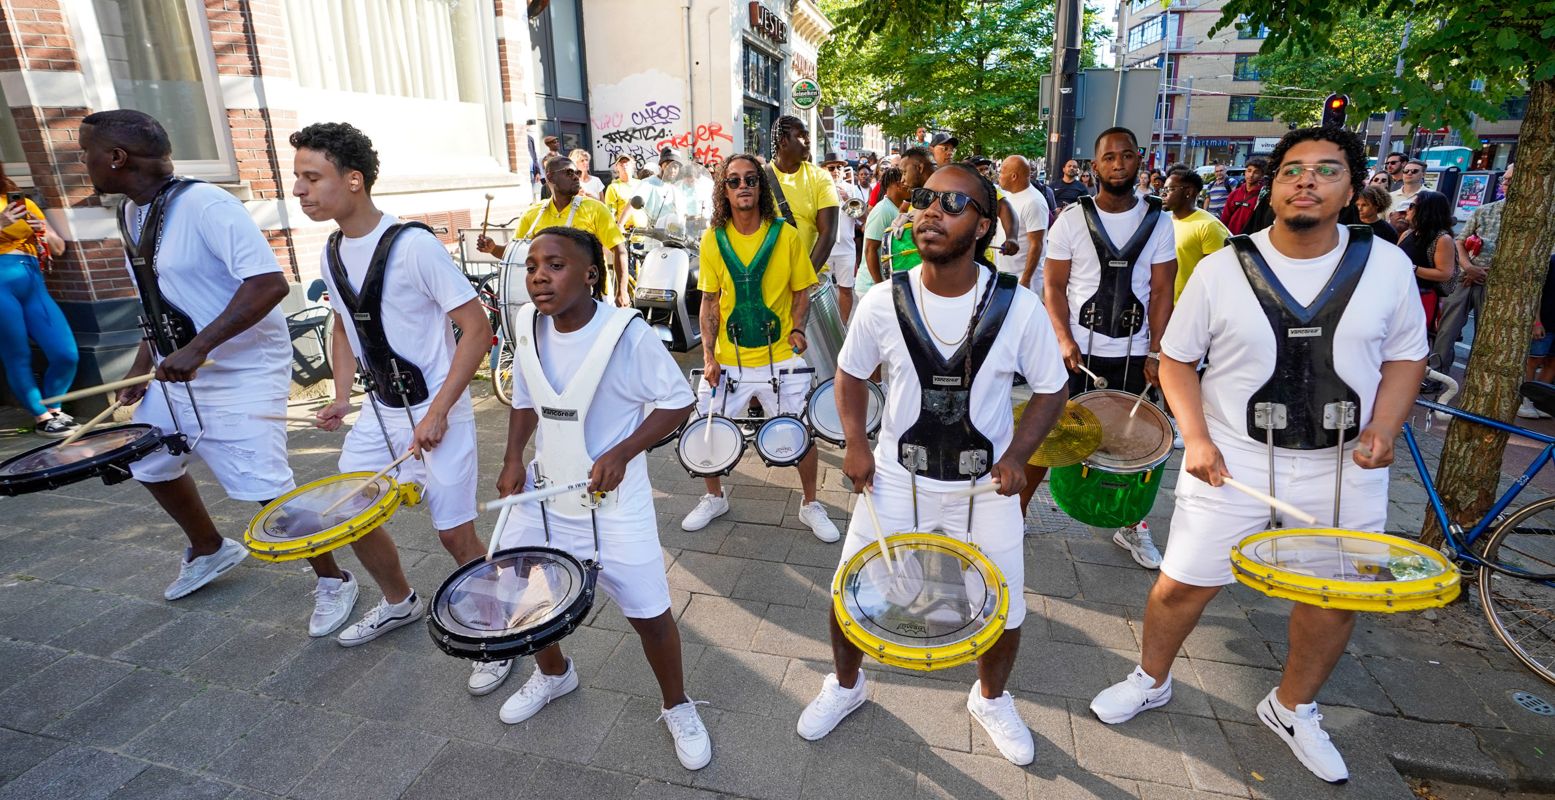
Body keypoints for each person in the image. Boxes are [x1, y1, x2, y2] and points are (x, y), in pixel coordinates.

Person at [1090, 125, 1427, 785]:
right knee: (1181, 583)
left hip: (1344, 463)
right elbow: (1177, 360)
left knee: (1334, 596)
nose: (1306, 180)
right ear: (1270, 188)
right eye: (1291, 170)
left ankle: (1292, 706)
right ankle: (1150, 679)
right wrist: (1199, 437)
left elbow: (1405, 355)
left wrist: (1385, 426)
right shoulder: (1223, 268)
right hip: (1233, 461)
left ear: (1351, 189)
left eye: (1325, 170)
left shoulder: (1384, 264)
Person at [796, 163, 1069, 764]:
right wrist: (857, 444)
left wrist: (1020, 455)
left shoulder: (1017, 307)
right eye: (924, 199)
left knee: (1005, 603)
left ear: (984, 226)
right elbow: (848, 375)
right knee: (851, 591)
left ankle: (991, 699)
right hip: (895, 478)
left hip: (984, 489)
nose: (931, 212)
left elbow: (1052, 388)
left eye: (953, 203)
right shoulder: (880, 301)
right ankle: (845, 686)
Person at [292, 122, 502, 693]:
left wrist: (438, 411)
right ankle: (399, 601)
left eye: (312, 178)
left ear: (353, 180)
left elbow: (476, 329)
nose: (300, 191)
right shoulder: (332, 250)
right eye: (298, 179)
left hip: (438, 411)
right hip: (379, 411)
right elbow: (342, 325)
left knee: (455, 535)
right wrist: (340, 396)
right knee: (349, 511)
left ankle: (494, 628)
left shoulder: (413, 247)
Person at [492, 227, 710, 770]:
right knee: (521, 589)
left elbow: (677, 400)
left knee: (649, 612)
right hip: (547, 491)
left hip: (614, 503)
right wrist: (513, 457)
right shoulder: (525, 324)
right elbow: (525, 397)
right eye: (533, 265)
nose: (540, 275)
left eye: (556, 265)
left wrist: (625, 451)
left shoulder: (626, 334)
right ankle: (553, 674)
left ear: (591, 274)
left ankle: (677, 704)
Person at [81, 110, 297, 603]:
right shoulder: (131, 212)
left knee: (266, 485)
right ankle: (209, 548)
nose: (82, 163)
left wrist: (198, 348)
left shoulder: (207, 205)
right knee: (149, 460)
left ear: (116, 157)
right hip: (178, 367)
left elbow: (268, 283)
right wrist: (141, 368)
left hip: (242, 368)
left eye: (86, 153)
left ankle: (333, 579)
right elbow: (156, 298)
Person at [681, 154, 840, 543]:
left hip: (781, 356)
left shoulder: (785, 235)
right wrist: (708, 358)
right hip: (728, 360)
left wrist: (799, 330)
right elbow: (709, 301)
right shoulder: (711, 239)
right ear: (724, 190)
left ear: (760, 186)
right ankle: (714, 497)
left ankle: (810, 503)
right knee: (707, 430)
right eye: (733, 181)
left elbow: (801, 290)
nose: (743, 186)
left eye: (750, 179)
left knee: (801, 432)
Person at [1039, 126, 1177, 569]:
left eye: (1127, 155)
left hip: (1135, 353)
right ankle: (1014, 511)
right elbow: (1054, 286)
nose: (1118, 164)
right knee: (1052, 434)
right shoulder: (1072, 219)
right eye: (1109, 157)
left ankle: (1132, 525)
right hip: (1077, 351)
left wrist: (1157, 351)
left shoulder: (1160, 220)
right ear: (1094, 165)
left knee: (1135, 443)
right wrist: (1062, 337)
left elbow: (1161, 292)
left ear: (1140, 160)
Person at [477, 155, 629, 308]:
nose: (576, 177)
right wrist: (493, 248)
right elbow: (513, 254)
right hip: (548, 299)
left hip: (591, 296)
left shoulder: (595, 209)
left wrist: (622, 290)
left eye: (577, 173)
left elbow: (619, 250)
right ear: (550, 176)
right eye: (569, 173)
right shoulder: (532, 213)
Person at [0, 168, 77, 437]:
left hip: (34, 283)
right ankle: (42, 416)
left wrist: (42, 230)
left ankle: (54, 407)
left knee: (66, 353)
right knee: (17, 355)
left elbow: (58, 248)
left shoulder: (22, 202)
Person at [1432, 179, 1504, 374]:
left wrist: (1486, 273)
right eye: (1504, 179)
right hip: (1465, 277)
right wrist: (1469, 267)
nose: (1505, 182)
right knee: (1447, 330)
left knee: (1487, 335)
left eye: (1510, 179)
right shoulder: (1485, 210)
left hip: (1498, 283)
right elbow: (1460, 242)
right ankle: (1436, 374)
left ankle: (1475, 377)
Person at [766, 117, 839, 281]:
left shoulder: (821, 177)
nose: (808, 141)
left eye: (807, 135)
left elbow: (828, 234)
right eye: (801, 136)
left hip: (812, 275)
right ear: (783, 141)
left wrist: (804, 279)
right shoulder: (759, 178)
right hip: (770, 280)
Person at [1162, 167, 1230, 301]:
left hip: (1190, 306)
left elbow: (1217, 276)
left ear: (1189, 192)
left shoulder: (1209, 226)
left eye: (1170, 189)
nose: (1163, 194)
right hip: (1163, 303)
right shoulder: (1164, 220)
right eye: (1163, 190)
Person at [1396, 190, 1457, 333]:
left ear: (1426, 209)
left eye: (1411, 206)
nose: (1407, 210)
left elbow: (1444, 273)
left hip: (1422, 297)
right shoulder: (1408, 233)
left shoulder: (1442, 239)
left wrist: (1412, 268)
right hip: (1399, 294)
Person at [995, 155, 1049, 289]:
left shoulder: (1034, 202)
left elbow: (1037, 244)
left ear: (1013, 176)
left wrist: (1026, 279)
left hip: (1022, 279)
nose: (998, 176)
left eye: (1001, 172)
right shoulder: (1007, 195)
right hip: (1004, 274)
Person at [824, 152, 864, 322]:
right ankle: (826, 328)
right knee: (820, 291)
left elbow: (862, 219)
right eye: (831, 167)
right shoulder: (817, 187)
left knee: (846, 289)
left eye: (839, 167)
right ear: (824, 169)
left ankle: (842, 326)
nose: (836, 171)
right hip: (823, 248)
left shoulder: (852, 189)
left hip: (846, 248)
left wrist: (848, 199)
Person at [858, 166, 907, 298]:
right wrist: (880, 287)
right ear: (898, 185)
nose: (910, 186)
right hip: (871, 287)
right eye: (906, 182)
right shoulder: (882, 210)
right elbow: (870, 249)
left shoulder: (895, 208)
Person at [638, 149, 688, 230]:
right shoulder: (648, 183)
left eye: (675, 167)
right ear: (661, 166)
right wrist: (620, 225)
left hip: (674, 237)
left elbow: (683, 215)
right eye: (667, 165)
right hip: (653, 235)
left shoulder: (676, 189)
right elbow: (632, 203)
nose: (672, 170)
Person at [1220, 157, 1266, 235]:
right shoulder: (1234, 194)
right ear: (1245, 172)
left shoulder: (1263, 196)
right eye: (1249, 171)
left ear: (1262, 175)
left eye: (1256, 172)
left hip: (1250, 240)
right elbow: (1225, 218)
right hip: (1230, 237)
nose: (1251, 175)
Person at [1387, 159, 1427, 230]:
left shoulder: (1431, 196)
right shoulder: (1389, 196)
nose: (1409, 173)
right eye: (1406, 171)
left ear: (1423, 174)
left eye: (1414, 171)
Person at [604, 154, 637, 225]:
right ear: (616, 167)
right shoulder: (613, 187)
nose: (624, 164)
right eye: (621, 163)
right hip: (626, 232)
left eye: (627, 162)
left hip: (645, 232)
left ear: (633, 165)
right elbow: (611, 213)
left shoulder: (641, 184)